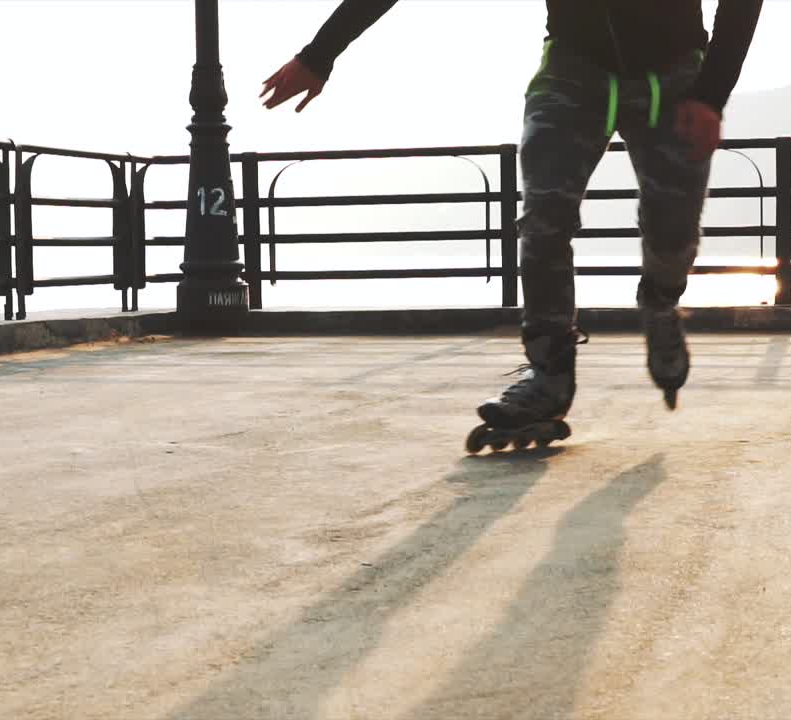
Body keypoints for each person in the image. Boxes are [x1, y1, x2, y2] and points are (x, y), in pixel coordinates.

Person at [261, 1, 764, 434]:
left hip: (675, 79)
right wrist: (321, 53)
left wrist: (712, 93)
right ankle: (549, 372)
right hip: (573, 70)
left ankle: (660, 300)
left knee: (672, 229)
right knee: (544, 217)